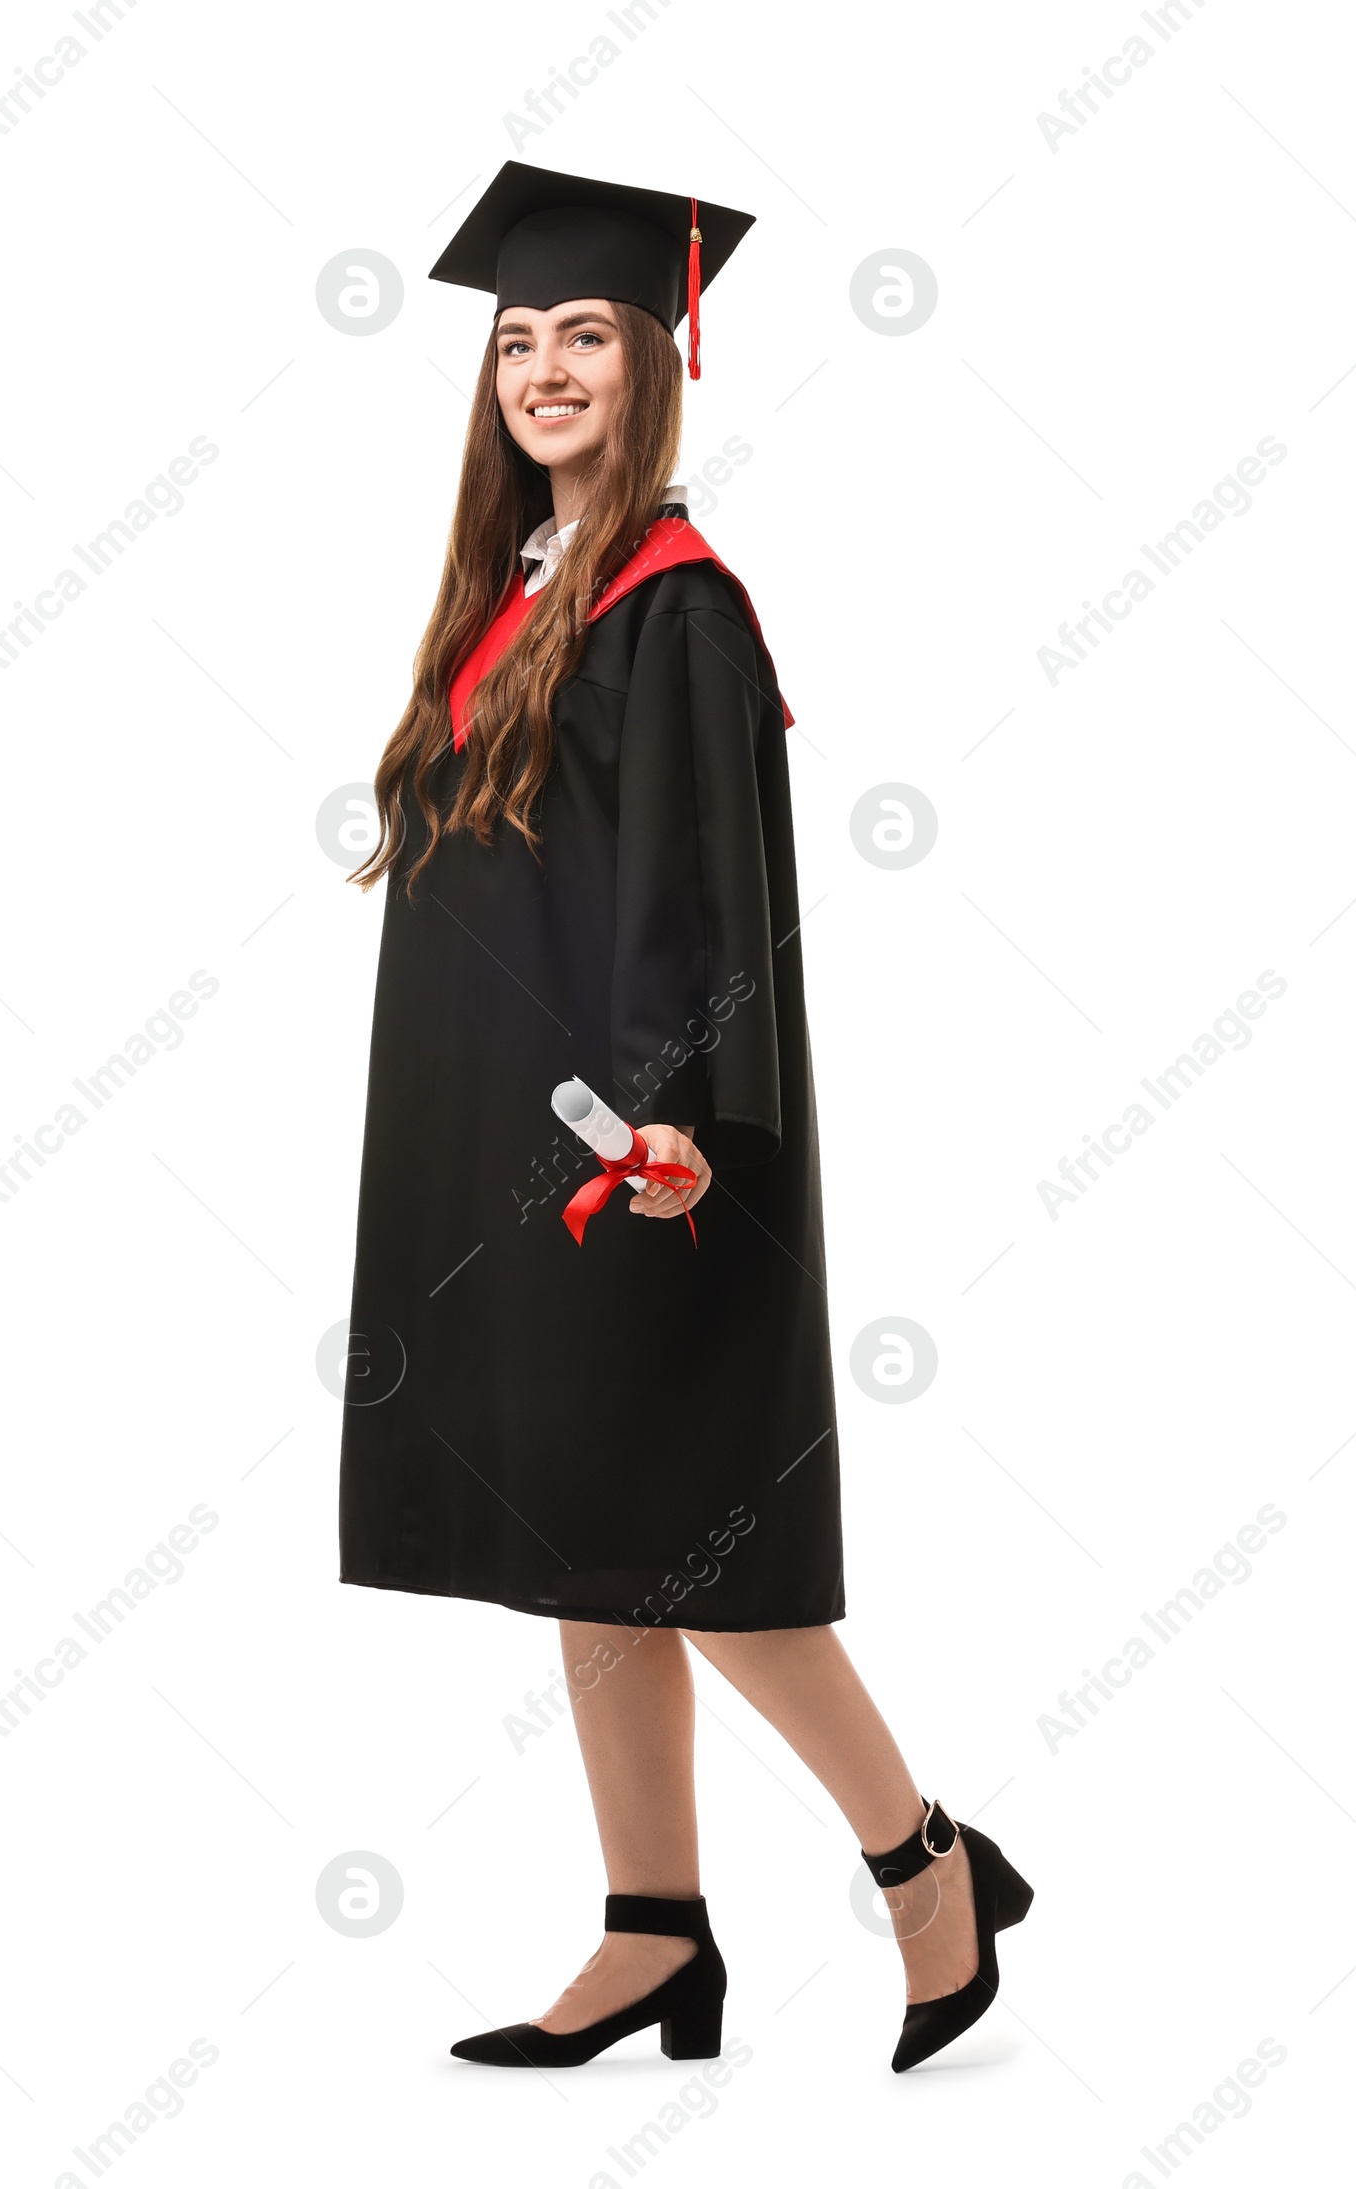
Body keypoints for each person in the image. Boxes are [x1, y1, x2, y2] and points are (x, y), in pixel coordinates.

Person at [339, 160, 1033, 2074]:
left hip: (643, 1157)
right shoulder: (514, 597)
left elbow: (702, 892)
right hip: (520, 1149)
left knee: (696, 1547)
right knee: (589, 1534)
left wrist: (670, 1124)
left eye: (582, 336)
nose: (543, 368)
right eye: (513, 343)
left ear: (655, 362)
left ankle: (927, 1863)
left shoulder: (677, 605)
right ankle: (656, 1927)